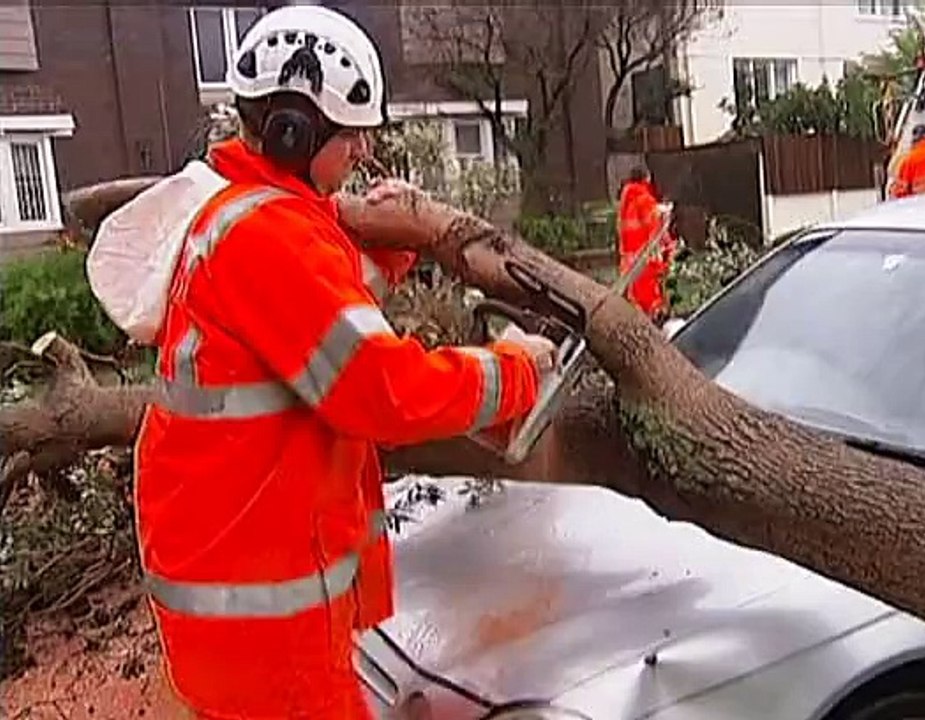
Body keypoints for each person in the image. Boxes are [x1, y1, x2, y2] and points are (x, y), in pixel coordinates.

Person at [105, 6, 555, 719]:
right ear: (293, 132)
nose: (365, 150)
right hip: (261, 620)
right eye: (350, 134)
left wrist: (395, 245)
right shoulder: (269, 237)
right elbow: (383, 391)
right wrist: (517, 371)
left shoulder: (246, 213)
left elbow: (310, 321)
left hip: (236, 591)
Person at [617, 165, 676, 322]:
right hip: (645, 258)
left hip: (629, 259)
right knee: (651, 299)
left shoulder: (627, 199)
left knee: (635, 299)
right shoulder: (644, 199)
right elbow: (655, 228)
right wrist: (670, 246)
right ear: (646, 178)